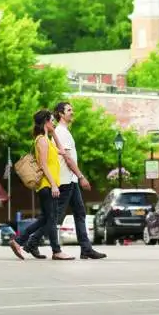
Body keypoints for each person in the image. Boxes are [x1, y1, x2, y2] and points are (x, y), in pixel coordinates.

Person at [27, 102, 107, 260]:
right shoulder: (61, 132)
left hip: (71, 179)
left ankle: (86, 249)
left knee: (79, 213)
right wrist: (81, 176)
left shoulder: (62, 132)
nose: (72, 112)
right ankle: (32, 241)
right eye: (69, 110)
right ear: (60, 114)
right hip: (65, 181)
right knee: (53, 216)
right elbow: (68, 159)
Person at [9, 109, 75, 261]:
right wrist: (53, 185)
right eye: (52, 120)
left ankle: (18, 241)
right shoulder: (42, 140)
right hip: (46, 186)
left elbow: (62, 151)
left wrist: (54, 133)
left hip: (48, 185)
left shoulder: (46, 139)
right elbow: (44, 165)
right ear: (46, 121)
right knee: (51, 219)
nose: (54, 123)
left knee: (45, 219)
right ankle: (57, 251)